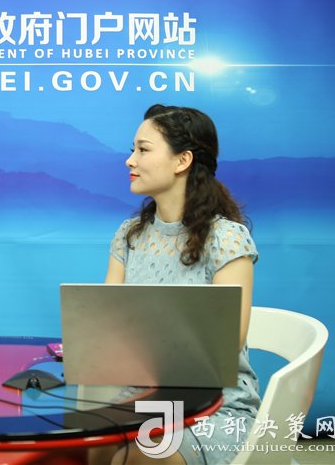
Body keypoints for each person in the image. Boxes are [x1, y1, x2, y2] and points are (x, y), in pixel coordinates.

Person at [96, 104, 260, 465]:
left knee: (145, 453)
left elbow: (223, 347)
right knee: (89, 445)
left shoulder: (227, 239)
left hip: (214, 406)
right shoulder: (128, 235)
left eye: (143, 149)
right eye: (133, 150)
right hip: (139, 399)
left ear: (182, 160)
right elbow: (106, 328)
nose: (130, 160)